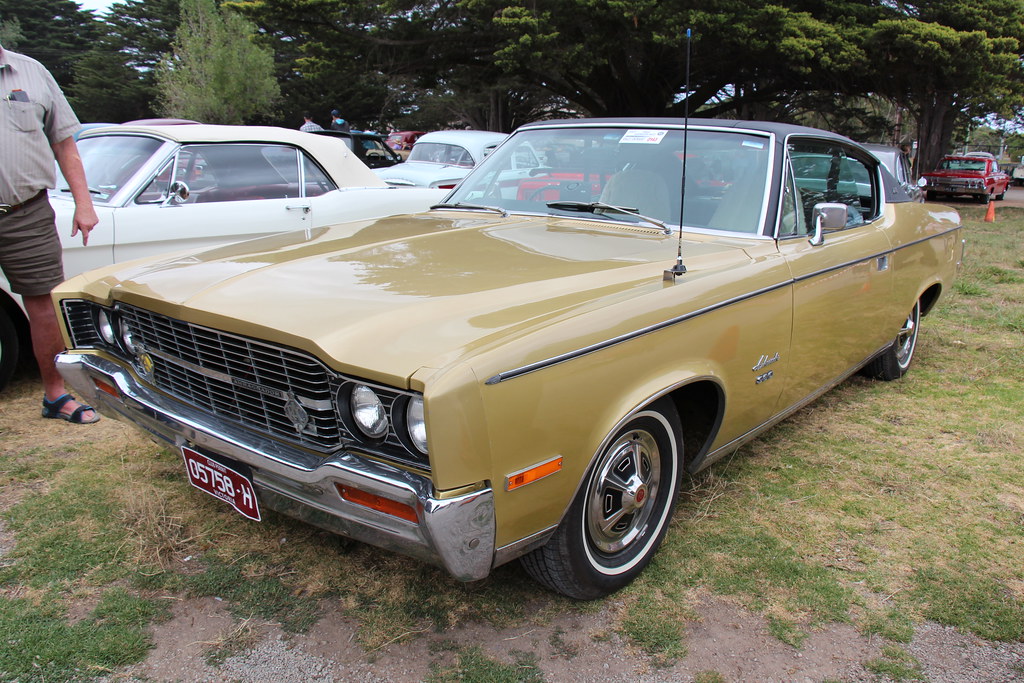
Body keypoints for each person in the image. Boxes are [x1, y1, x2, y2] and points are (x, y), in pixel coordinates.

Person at [0, 45, 100, 423]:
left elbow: (64, 143)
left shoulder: (32, 72)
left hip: (26, 211)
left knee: (43, 306)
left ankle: (55, 396)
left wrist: (84, 203)